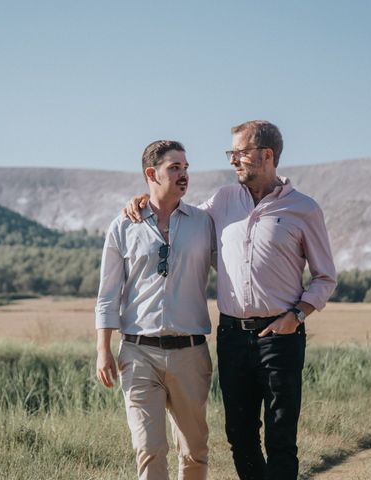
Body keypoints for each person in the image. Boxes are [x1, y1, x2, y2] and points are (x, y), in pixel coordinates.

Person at [125, 121, 337, 480]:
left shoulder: (304, 209)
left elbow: (325, 276)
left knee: (281, 435)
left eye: (240, 153)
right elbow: (180, 215)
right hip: (232, 338)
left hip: (282, 337)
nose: (233, 160)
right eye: (232, 154)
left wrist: (297, 315)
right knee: (239, 435)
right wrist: (145, 199)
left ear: (266, 156)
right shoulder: (222, 201)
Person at [95, 140, 216, 480]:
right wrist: (103, 350)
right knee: (149, 448)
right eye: (174, 167)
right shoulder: (123, 225)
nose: (184, 175)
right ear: (152, 173)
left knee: (194, 451)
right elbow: (108, 295)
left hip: (191, 353)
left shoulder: (204, 222)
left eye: (186, 168)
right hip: (138, 352)